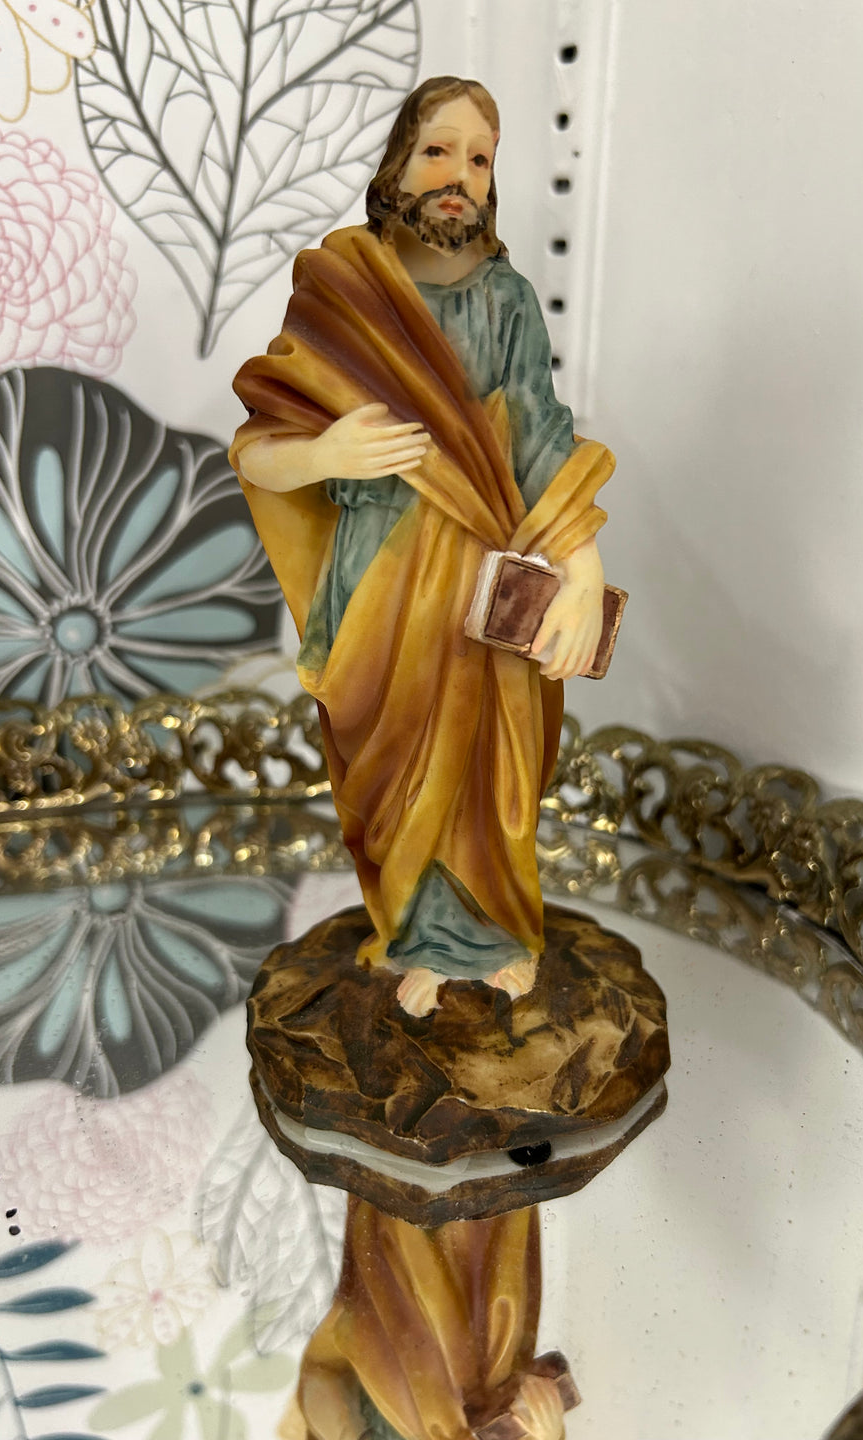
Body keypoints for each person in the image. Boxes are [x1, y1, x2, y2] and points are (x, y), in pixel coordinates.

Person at [230, 76, 614, 1020]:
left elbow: (542, 440)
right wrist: (326, 453)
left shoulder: (507, 299)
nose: (458, 175)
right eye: (437, 150)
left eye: (479, 158)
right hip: (376, 578)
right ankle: (414, 937)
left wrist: (584, 575)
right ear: (397, 165)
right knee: (388, 764)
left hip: (485, 570)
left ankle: (492, 935)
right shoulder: (341, 293)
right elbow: (258, 452)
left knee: (488, 764)